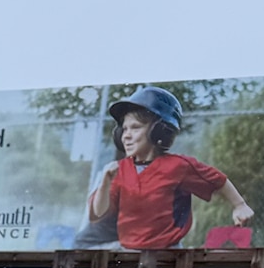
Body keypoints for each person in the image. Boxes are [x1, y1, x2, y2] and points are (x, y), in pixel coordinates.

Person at [87, 86, 254, 250]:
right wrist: (105, 183)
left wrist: (239, 205)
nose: (126, 136)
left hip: (167, 252)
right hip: (129, 250)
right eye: (124, 129)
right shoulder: (120, 170)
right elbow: (97, 214)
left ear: (159, 131)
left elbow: (218, 180)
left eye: (136, 127)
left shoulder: (178, 166)